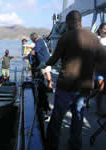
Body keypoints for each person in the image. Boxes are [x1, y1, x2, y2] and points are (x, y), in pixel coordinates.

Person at [44, 10, 106, 150]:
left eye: (66, 22)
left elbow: (53, 59)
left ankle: (52, 145)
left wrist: (44, 64)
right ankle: (75, 145)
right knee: (78, 117)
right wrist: (99, 82)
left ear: (70, 21)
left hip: (66, 85)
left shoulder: (65, 37)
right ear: (80, 21)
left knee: (57, 117)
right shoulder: (93, 38)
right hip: (84, 88)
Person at [95, 23, 106, 117]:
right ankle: (99, 109)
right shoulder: (96, 41)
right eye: (104, 29)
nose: (105, 31)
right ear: (100, 30)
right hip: (99, 70)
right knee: (100, 89)